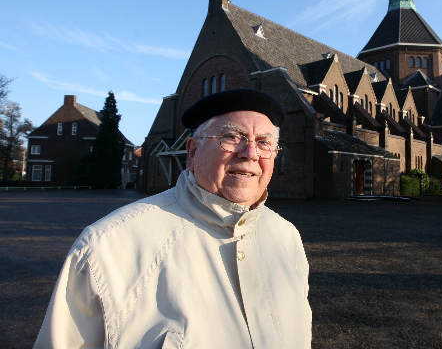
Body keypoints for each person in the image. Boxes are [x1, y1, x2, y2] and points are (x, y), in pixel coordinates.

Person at [34, 89, 312, 348]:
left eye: (264, 143)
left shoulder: (286, 238)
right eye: (232, 137)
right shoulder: (107, 248)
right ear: (192, 152)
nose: (250, 153)